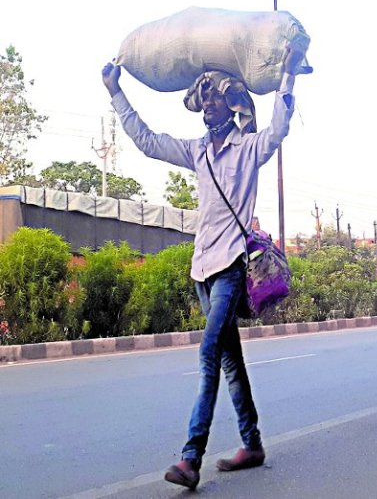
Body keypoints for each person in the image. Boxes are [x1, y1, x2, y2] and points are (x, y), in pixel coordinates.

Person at [102, 50, 300, 490]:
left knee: (210, 352)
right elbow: (149, 141)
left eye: (214, 97)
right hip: (202, 270)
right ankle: (252, 443)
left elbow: (280, 129)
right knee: (230, 359)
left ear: (232, 106)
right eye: (204, 97)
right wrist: (117, 92)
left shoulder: (248, 150)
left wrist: (288, 75)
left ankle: (191, 457)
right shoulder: (198, 153)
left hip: (231, 267)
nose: (207, 103)